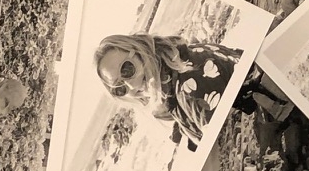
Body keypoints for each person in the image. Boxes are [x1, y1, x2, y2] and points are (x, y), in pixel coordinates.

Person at [93, 34, 238, 150]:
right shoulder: (180, 57)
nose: (131, 86)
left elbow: (227, 142)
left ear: (140, 51)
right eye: (119, 87)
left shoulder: (188, 89)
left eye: (127, 69)